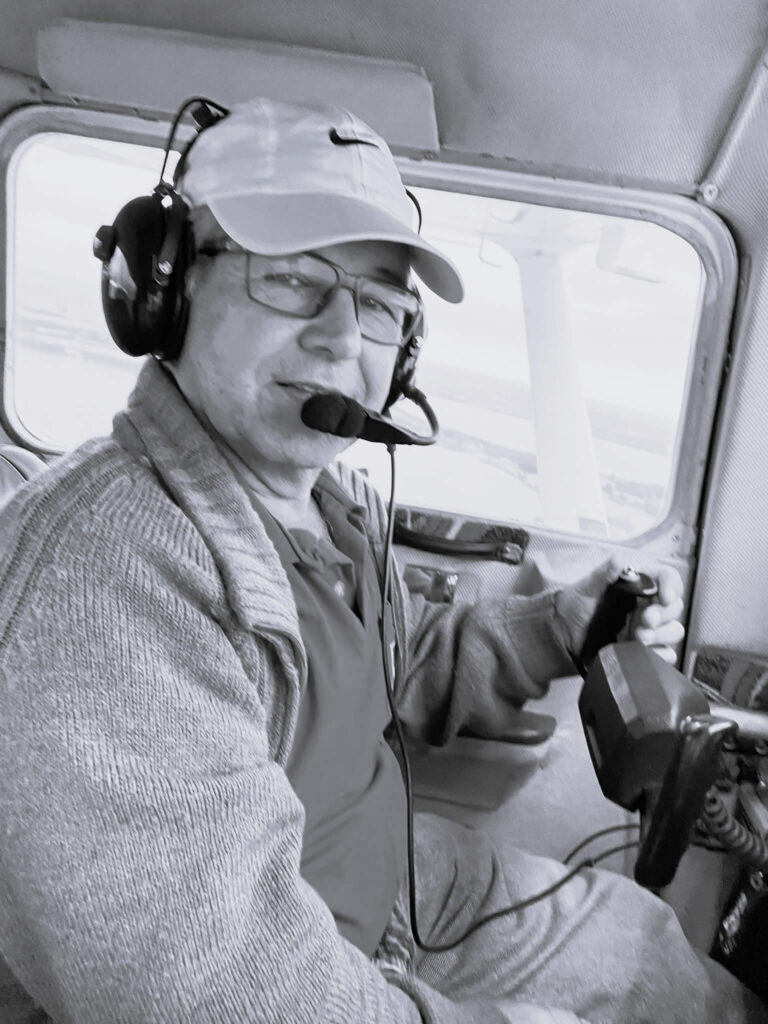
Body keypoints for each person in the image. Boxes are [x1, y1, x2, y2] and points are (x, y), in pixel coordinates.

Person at [0, 96, 763, 1024]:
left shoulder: (326, 504)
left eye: (376, 303)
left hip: (386, 886)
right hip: (285, 961)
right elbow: (218, 997)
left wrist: (559, 625)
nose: (339, 336)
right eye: (291, 278)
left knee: (650, 953)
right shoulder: (103, 587)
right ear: (167, 290)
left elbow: (388, 666)